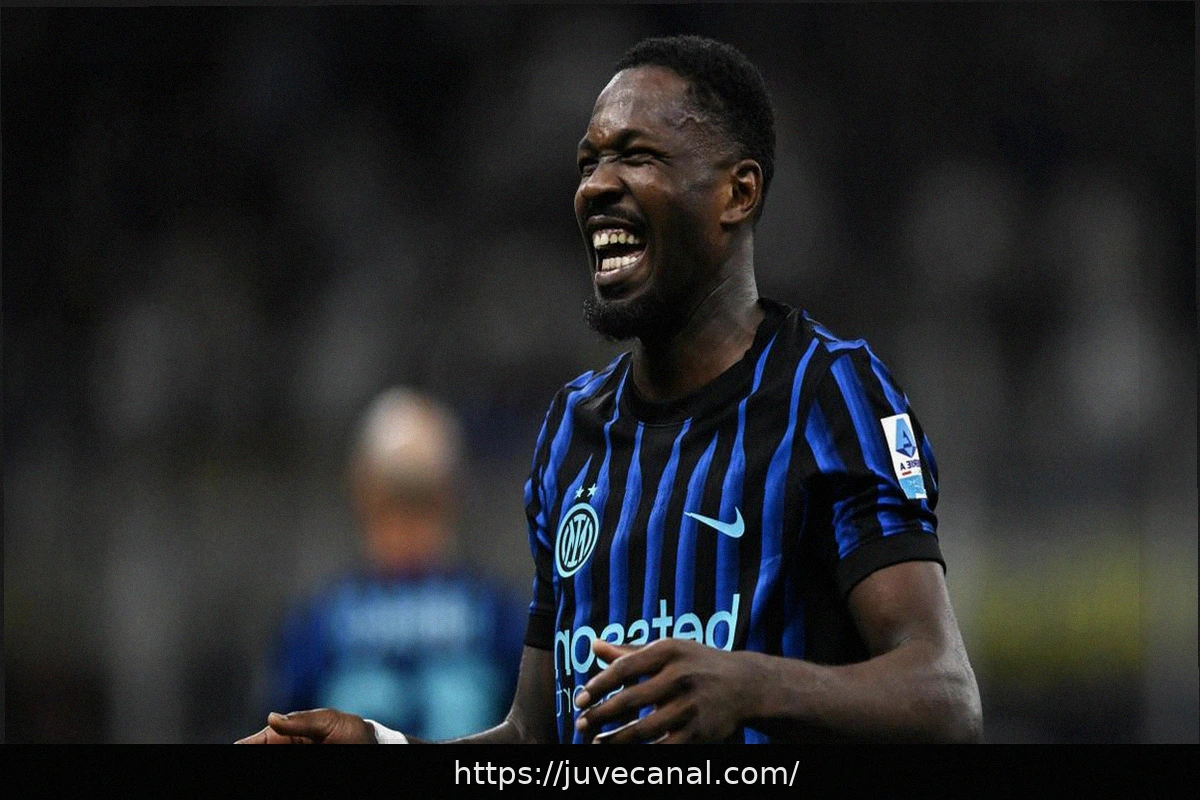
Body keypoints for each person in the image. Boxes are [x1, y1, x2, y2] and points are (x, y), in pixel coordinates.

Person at [239, 34, 981, 744]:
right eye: (589, 162)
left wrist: (751, 686)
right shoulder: (572, 430)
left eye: (636, 156)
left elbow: (946, 699)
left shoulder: (829, 393)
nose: (595, 186)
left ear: (738, 192)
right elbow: (534, 739)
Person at [264, 387, 525, 740]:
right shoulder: (496, 614)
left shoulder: (321, 620)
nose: (405, 520)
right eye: (396, 498)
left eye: (417, 498)